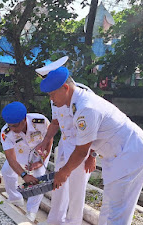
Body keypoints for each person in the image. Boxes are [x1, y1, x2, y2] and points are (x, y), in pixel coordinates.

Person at [39, 65, 143, 225]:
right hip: (116, 157)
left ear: (65, 88)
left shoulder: (85, 108)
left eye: (52, 95)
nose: (51, 99)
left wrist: (63, 172)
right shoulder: (76, 103)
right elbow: (92, 136)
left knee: (117, 215)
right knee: (108, 210)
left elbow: (81, 151)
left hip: (130, 156)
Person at [35, 57, 96, 225]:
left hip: (82, 148)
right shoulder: (56, 96)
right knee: (59, 186)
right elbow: (56, 122)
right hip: (65, 144)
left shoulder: (84, 94)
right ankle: (55, 220)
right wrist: (46, 139)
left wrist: (92, 155)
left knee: (77, 190)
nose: (50, 94)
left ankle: (73, 222)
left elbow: (94, 129)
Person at [0, 101, 51, 222]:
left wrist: (41, 160)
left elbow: (49, 138)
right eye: (10, 125)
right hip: (19, 153)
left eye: (15, 126)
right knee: (6, 171)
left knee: (39, 178)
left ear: (24, 119)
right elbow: (11, 158)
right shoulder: (6, 132)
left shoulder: (40, 121)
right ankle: (15, 197)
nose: (12, 129)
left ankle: (31, 211)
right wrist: (24, 175)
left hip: (39, 153)